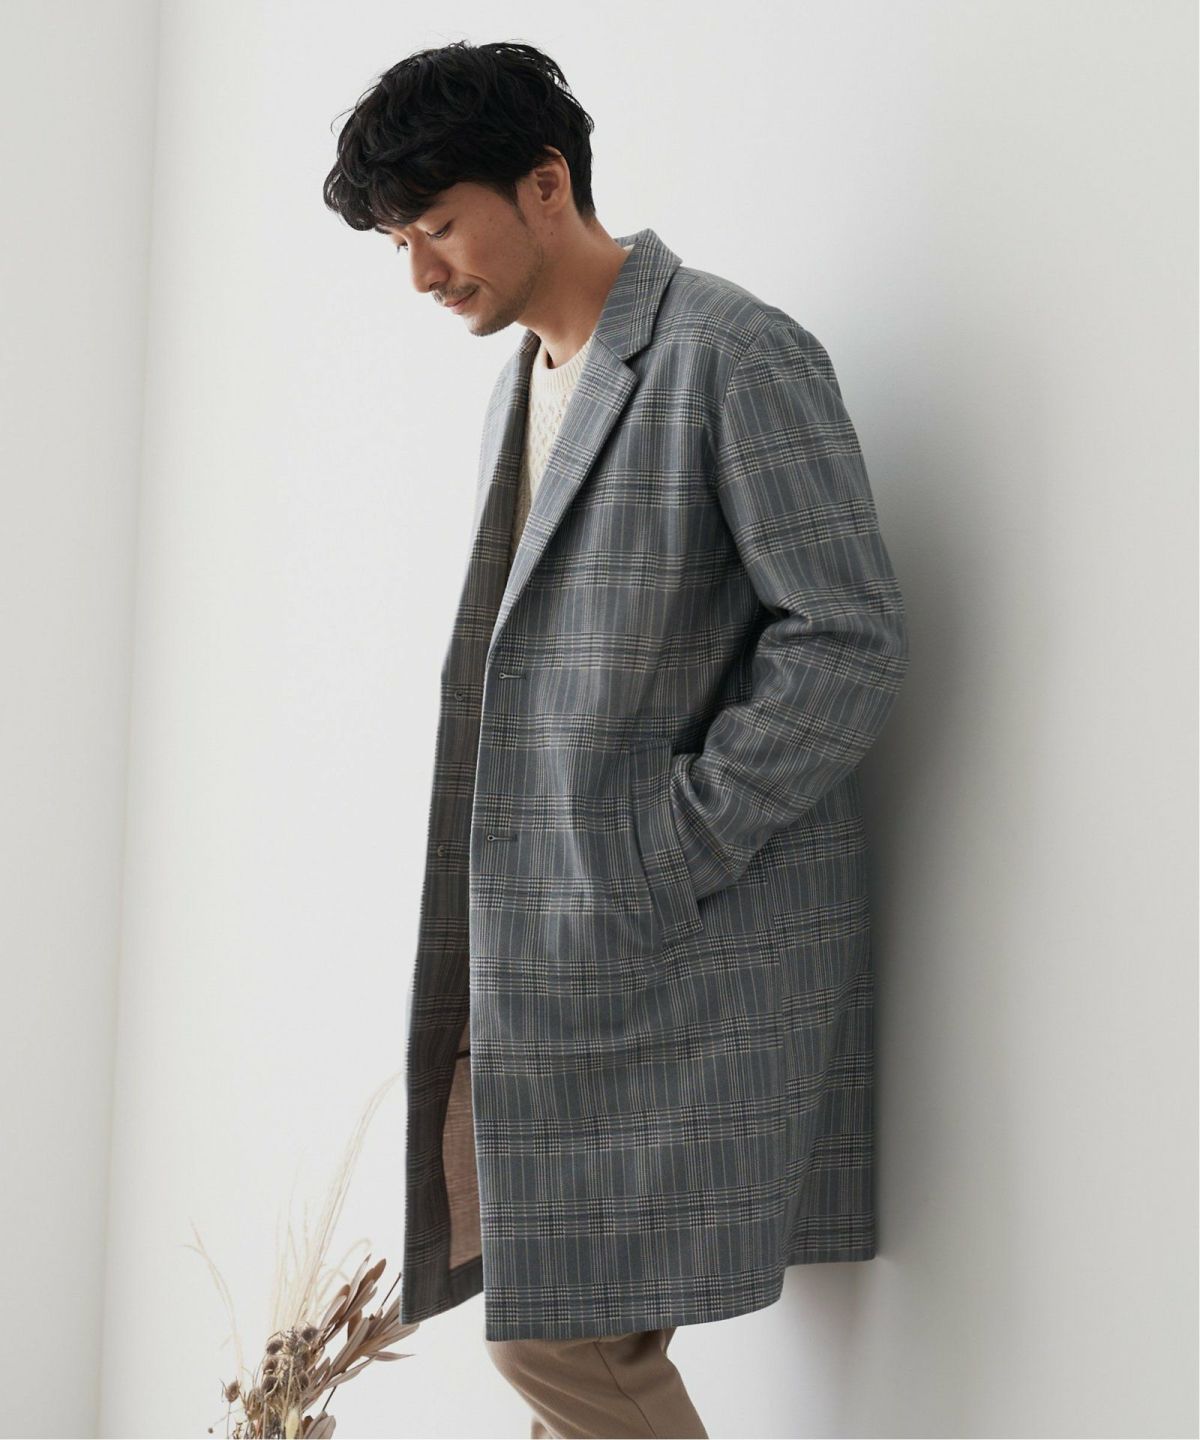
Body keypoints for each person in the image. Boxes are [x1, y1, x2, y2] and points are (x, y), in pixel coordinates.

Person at [324, 39, 908, 1440]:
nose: (422, 274)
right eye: (400, 243)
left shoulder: (731, 351)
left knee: (554, 1336)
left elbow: (845, 635)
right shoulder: (527, 380)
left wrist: (665, 849)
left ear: (546, 182)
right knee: (576, 1312)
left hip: (675, 947)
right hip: (547, 952)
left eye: (438, 226)